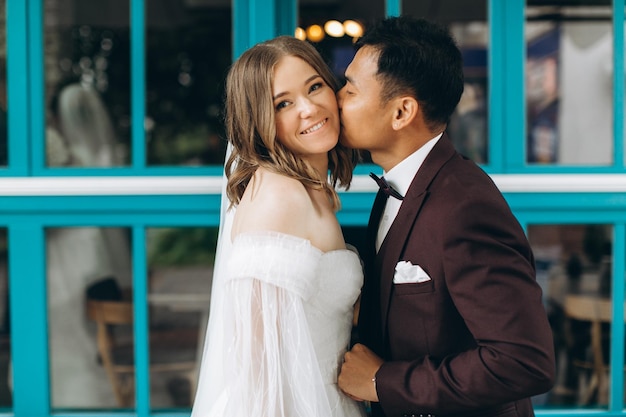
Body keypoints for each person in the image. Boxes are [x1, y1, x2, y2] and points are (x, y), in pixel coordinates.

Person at [337, 16, 556, 417]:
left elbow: (523, 361)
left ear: (402, 112)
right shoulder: (397, 185)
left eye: (350, 89)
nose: (336, 99)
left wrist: (381, 382)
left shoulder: (465, 206)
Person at [190, 36, 366, 417]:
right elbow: (258, 365)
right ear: (260, 121)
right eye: (283, 103)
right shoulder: (278, 197)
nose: (309, 108)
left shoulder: (311, 190)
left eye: (315, 86)